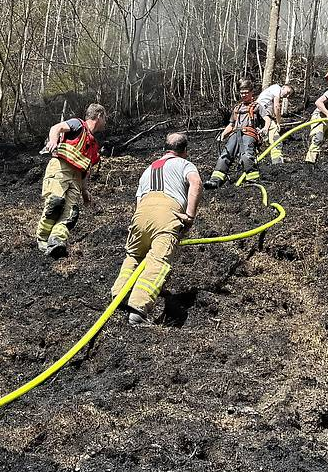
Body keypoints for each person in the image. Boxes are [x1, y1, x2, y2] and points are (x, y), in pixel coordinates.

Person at [110, 132, 203, 326]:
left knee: (134, 256)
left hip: (141, 214)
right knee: (158, 260)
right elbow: (196, 183)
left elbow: (138, 199)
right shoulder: (184, 164)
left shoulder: (149, 168)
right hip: (167, 213)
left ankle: (120, 295)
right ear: (184, 151)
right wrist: (190, 216)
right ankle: (138, 309)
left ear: (165, 149)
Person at [35, 103, 106, 257]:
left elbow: (86, 171)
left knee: (70, 213)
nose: (105, 122)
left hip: (76, 180)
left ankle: (56, 242)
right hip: (60, 169)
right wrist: (53, 141)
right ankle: (42, 238)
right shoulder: (78, 125)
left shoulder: (93, 145)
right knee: (56, 202)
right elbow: (56, 128)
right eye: (104, 118)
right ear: (99, 116)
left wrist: (85, 192)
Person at [205, 83, 263, 189]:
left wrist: (264, 130)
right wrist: (223, 135)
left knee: (246, 155)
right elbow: (231, 125)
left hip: (249, 134)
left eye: (246, 92)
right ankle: (215, 180)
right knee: (224, 155)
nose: (244, 95)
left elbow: (267, 119)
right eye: (242, 93)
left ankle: (253, 179)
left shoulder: (257, 107)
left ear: (251, 93)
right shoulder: (237, 108)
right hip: (235, 134)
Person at [255, 83, 292, 166]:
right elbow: (277, 106)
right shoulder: (277, 88)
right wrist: (278, 122)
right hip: (261, 112)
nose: (287, 96)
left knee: (261, 136)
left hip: (260, 114)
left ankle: (254, 160)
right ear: (283, 87)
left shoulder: (271, 91)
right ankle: (277, 161)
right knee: (275, 135)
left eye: (289, 95)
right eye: (288, 92)